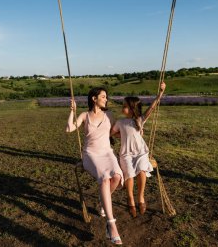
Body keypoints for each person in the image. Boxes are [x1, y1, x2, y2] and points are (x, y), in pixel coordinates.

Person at [66, 87, 123, 245]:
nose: (106, 99)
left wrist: (132, 131)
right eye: (103, 96)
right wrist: (72, 111)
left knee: (117, 177)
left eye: (106, 97)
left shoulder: (109, 115)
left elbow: (114, 132)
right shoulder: (85, 115)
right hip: (91, 154)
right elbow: (69, 128)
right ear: (94, 98)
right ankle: (111, 225)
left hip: (107, 152)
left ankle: (103, 199)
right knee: (105, 180)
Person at [111, 82, 166, 217]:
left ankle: (140, 197)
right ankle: (130, 199)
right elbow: (111, 133)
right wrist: (121, 135)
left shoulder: (139, 120)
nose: (122, 108)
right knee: (129, 174)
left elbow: (152, 108)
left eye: (124, 106)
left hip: (141, 152)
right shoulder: (120, 122)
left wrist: (161, 93)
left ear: (132, 109)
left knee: (142, 170)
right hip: (126, 154)